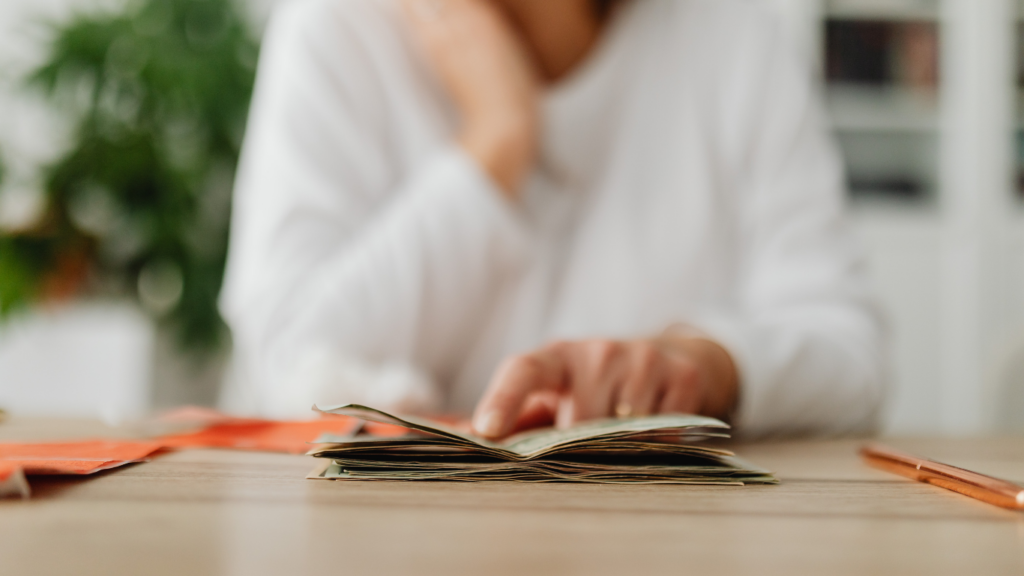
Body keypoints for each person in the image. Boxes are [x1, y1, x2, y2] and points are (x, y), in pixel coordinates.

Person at [220, 0, 885, 438]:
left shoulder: (735, 37)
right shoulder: (334, 26)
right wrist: (499, 139)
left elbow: (852, 358)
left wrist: (702, 365)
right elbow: (284, 353)